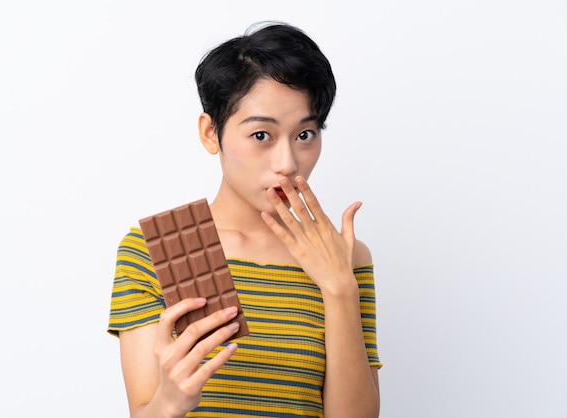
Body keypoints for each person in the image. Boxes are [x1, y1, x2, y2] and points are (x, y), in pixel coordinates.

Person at [108, 21, 382, 418]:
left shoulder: (345, 255)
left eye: (305, 134)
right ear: (210, 133)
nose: (287, 163)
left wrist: (339, 287)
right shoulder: (157, 247)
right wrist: (169, 400)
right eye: (261, 136)